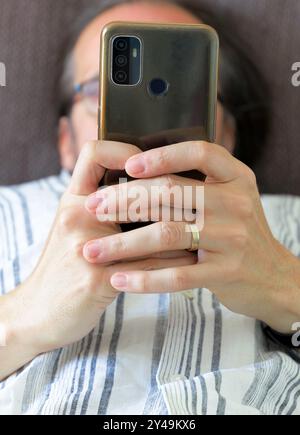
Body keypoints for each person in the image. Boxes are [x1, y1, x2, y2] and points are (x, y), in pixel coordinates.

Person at [0, 0, 300, 415]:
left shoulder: (292, 217)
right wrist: (21, 317)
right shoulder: (5, 208)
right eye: (99, 88)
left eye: (184, 89)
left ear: (227, 133)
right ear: (65, 140)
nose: (147, 115)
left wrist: (287, 286)